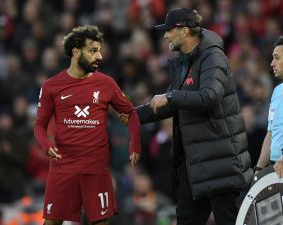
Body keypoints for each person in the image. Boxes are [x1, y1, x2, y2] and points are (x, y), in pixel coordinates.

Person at [119, 8, 252, 225]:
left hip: (221, 163)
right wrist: (132, 115)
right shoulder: (184, 62)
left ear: (184, 31)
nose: (165, 36)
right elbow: (173, 104)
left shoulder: (213, 56)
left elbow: (209, 96)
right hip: (193, 165)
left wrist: (170, 97)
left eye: (169, 30)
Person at [34, 25, 141, 225]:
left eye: (99, 50)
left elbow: (131, 112)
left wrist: (135, 144)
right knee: (51, 222)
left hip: (96, 167)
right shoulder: (51, 86)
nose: (99, 56)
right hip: (63, 166)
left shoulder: (107, 84)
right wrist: (46, 146)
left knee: (100, 223)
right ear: (76, 52)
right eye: (93, 51)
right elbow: (39, 125)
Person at [255, 36, 283, 177]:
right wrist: (259, 169)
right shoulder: (277, 91)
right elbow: (270, 133)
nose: (272, 63)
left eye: (277, 58)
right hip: (275, 166)